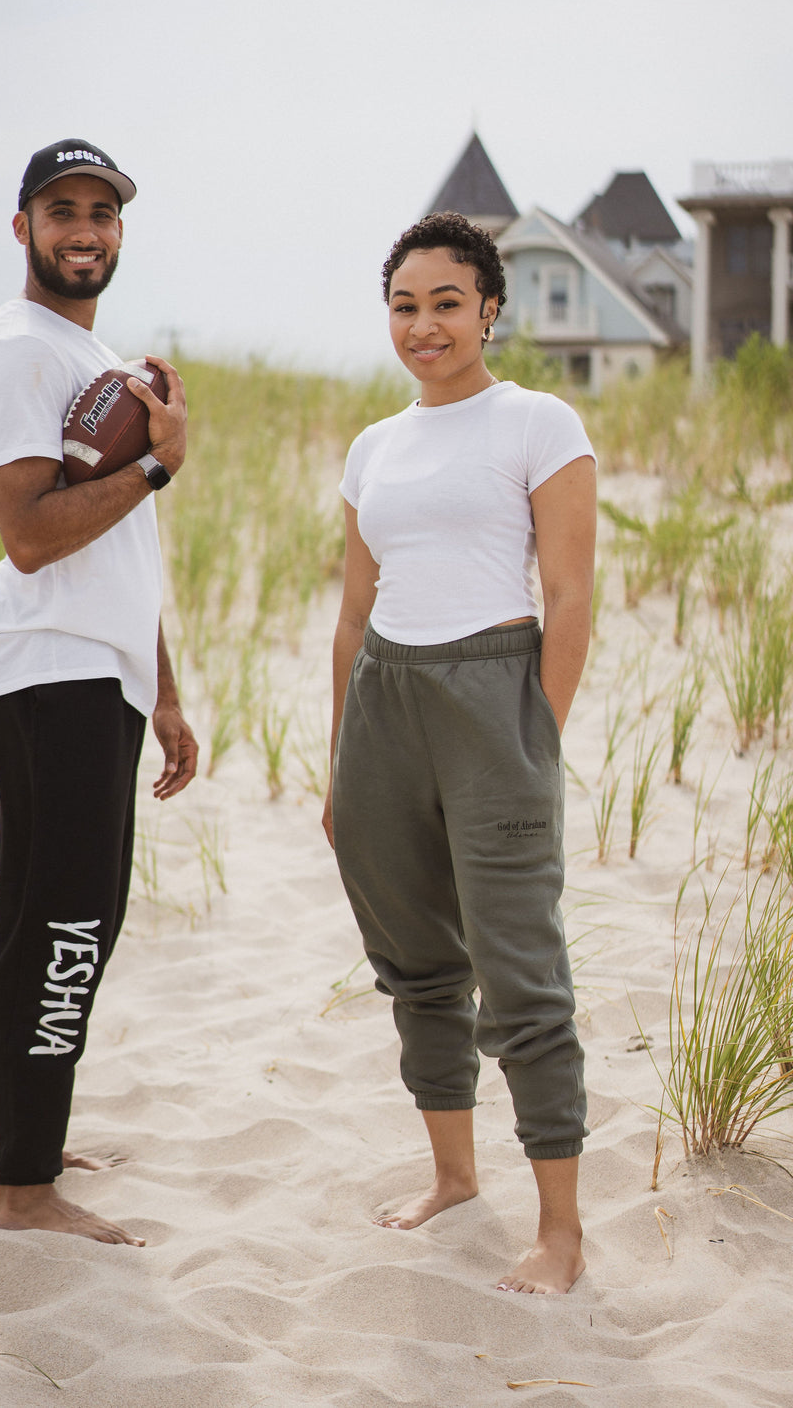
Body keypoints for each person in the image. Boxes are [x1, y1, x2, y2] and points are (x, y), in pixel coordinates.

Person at [322, 211, 596, 1294]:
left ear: (489, 310)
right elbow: (353, 614)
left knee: (521, 969)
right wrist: (340, 760)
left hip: (495, 697)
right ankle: (454, 1176)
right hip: (383, 705)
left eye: (446, 303)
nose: (424, 325)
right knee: (415, 962)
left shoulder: (538, 422)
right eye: (404, 305)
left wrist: (538, 733)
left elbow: (568, 594)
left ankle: (561, 1231)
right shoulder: (372, 447)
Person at [0, 137, 198, 1246]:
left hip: (98, 672)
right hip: (48, 668)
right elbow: (29, 536)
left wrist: (164, 690)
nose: (85, 231)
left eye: (101, 212)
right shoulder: (21, 351)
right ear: (24, 228)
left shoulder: (84, 352)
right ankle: (24, 1189)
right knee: (60, 926)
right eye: (62, 211)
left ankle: (34, 1142)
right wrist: (155, 465)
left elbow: (120, 552)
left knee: (76, 922)